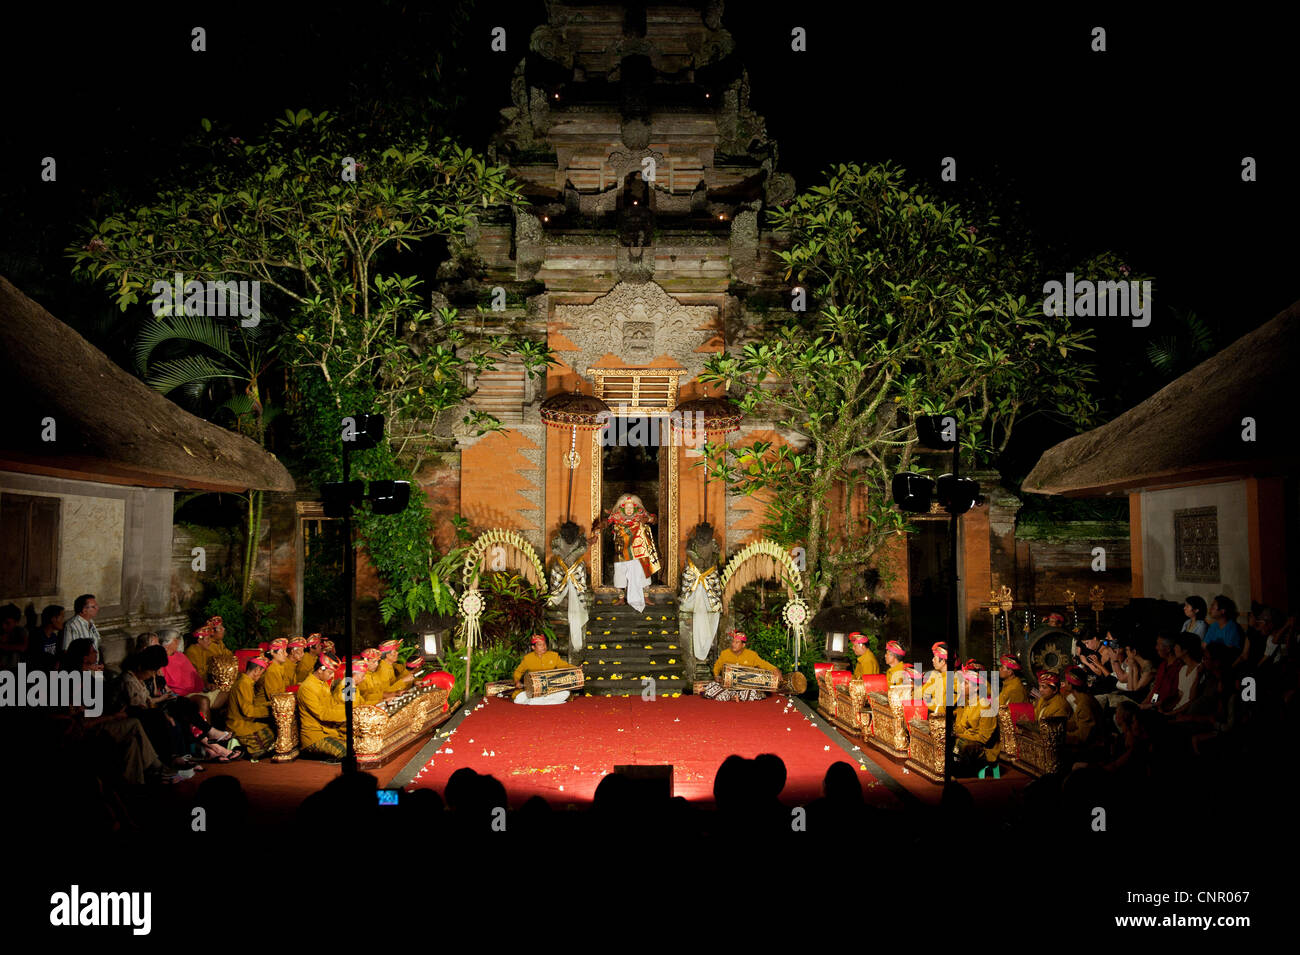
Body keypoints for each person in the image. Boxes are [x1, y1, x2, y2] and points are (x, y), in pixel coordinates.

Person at [604, 492, 660, 610]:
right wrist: (599, 526)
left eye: (631, 507)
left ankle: (646, 597)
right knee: (620, 574)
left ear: (635, 507)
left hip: (639, 549)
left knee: (643, 573)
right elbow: (606, 522)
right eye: (626, 507)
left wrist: (648, 519)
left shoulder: (640, 514)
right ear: (622, 507)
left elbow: (653, 519)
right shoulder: (617, 515)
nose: (629, 509)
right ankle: (620, 598)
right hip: (621, 550)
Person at [697, 630, 780, 702]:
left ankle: (735, 696)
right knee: (713, 686)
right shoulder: (725, 653)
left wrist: (774, 669)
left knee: (752, 692)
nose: (733, 644)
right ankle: (734, 697)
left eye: (737, 642)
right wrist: (716, 675)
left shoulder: (752, 655)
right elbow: (717, 666)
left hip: (745, 687)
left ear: (743, 645)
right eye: (733, 641)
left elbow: (763, 663)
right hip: (727, 687)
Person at [296, 654, 348, 761]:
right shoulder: (307, 688)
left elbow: (331, 706)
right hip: (314, 735)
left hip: (328, 730)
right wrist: (346, 714)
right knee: (346, 751)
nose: (332, 676)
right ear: (320, 669)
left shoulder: (323, 684)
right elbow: (322, 713)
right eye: (330, 672)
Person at [227, 654, 276, 759]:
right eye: (262, 672)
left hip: (244, 720)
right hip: (238, 724)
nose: (262, 675)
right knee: (268, 735)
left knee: (269, 731)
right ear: (257, 670)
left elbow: (251, 705)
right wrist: (269, 711)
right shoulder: (244, 684)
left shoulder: (247, 682)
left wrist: (271, 705)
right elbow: (248, 711)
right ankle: (244, 753)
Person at [952, 665, 997, 775]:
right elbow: (962, 727)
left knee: (961, 743)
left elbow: (983, 738)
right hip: (967, 739)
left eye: (965, 683)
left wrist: (959, 736)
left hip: (983, 750)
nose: (961, 685)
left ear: (976, 687)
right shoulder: (968, 702)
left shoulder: (985, 706)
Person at [512, 634, 579, 704]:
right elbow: (518, 671)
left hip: (552, 689)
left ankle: (537, 701)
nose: (544, 647)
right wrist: (517, 681)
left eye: (544, 644)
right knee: (518, 698)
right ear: (533, 647)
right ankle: (545, 701)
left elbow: (565, 665)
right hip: (535, 690)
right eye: (540, 645)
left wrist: (577, 668)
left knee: (565, 693)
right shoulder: (527, 659)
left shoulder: (553, 656)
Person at [1061, 665, 1104, 749]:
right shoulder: (1083, 698)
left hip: (1093, 749)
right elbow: (1075, 722)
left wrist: (1061, 737)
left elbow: (1082, 736)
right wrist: (1059, 726)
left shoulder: (1084, 704)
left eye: (1065, 681)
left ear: (1070, 685)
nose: (1063, 683)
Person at [1139, 635, 1182, 713]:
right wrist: (1145, 703)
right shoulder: (1162, 665)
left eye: (1158, 644)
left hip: (1163, 711)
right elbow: (1155, 688)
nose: (1156, 648)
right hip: (1151, 705)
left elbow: (1173, 697)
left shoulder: (1179, 668)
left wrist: (1150, 706)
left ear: (1168, 648)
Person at [1168, 634, 1203, 715]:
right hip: (1176, 711)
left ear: (1185, 650)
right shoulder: (1183, 669)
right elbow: (1180, 696)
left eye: (1176, 646)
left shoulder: (1200, 669)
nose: (1174, 648)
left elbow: (1192, 700)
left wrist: (1171, 713)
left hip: (1187, 714)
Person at [921, 642, 949, 713]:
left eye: (935, 658)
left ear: (942, 662)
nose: (932, 660)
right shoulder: (936, 674)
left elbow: (942, 707)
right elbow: (922, 693)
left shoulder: (951, 680)